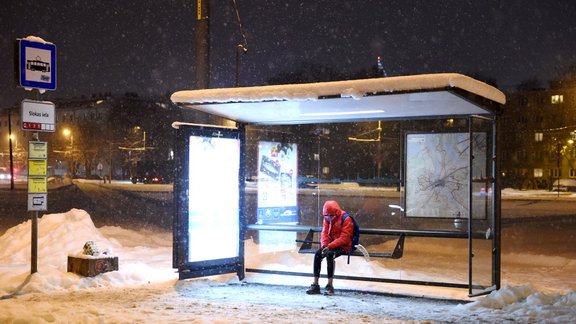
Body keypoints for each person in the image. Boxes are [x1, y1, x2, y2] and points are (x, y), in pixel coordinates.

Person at [306, 200, 354, 295]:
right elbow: (324, 233)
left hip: (343, 245)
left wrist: (329, 246)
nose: (329, 218)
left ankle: (329, 285)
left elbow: (345, 238)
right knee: (318, 254)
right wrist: (324, 246)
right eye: (326, 216)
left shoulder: (346, 219)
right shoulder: (327, 219)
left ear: (336, 213)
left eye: (331, 216)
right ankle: (315, 284)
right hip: (330, 245)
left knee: (330, 255)